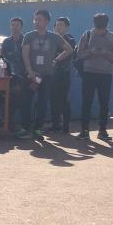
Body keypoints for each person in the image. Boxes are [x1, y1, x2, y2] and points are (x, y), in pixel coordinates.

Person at [20, 9, 73, 141]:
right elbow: (25, 55)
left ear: (47, 21)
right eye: (35, 19)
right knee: (27, 101)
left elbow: (69, 49)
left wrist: (56, 60)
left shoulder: (54, 37)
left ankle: (38, 129)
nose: (36, 22)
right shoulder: (29, 36)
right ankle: (25, 128)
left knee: (42, 103)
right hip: (32, 76)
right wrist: (30, 71)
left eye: (40, 20)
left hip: (47, 76)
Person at [74, 13, 113, 141]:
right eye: (98, 23)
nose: (99, 26)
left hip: (105, 74)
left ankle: (102, 130)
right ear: (94, 23)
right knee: (86, 102)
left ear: (106, 23)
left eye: (102, 23)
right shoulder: (87, 35)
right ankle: (84, 130)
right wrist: (91, 52)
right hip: (89, 73)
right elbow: (79, 54)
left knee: (104, 103)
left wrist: (105, 53)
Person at [50, 16, 77, 133]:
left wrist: (55, 59)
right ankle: (55, 125)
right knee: (53, 99)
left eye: (61, 25)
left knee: (63, 100)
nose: (58, 27)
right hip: (51, 74)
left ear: (67, 27)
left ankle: (65, 126)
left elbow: (67, 53)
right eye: (56, 25)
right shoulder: (50, 39)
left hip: (63, 74)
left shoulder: (69, 39)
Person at [1, 16, 27, 131]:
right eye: (13, 25)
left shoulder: (26, 40)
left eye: (17, 25)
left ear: (21, 27)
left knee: (23, 101)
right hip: (10, 77)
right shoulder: (6, 42)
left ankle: (25, 126)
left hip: (24, 75)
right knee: (10, 100)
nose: (15, 27)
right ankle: (9, 124)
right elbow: (3, 58)